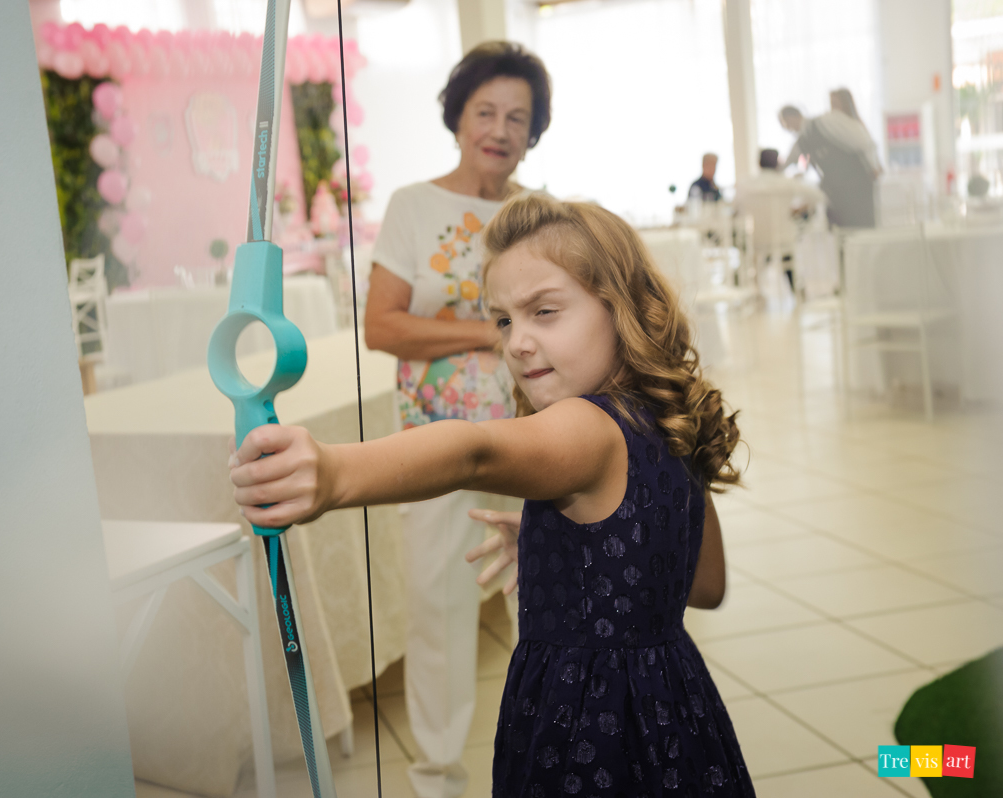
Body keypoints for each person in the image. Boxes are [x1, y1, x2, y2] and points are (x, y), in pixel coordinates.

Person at [229, 192, 754, 796]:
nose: (517, 342)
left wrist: (334, 473)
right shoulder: (668, 419)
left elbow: (471, 449)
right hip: (673, 710)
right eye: (505, 320)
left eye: (545, 312)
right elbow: (704, 585)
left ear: (624, 308)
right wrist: (584, 557)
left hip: (591, 726)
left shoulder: (586, 426)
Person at [362, 41, 553, 798]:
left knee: (539, 598)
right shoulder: (415, 206)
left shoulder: (540, 212)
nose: (500, 129)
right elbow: (383, 326)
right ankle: (437, 775)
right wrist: (490, 330)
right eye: (486, 112)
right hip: (437, 438)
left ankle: (546, 760)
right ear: (458, 117)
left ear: (533, 130)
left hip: (531, 432)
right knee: (439, 607)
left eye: (518, 117)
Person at [735, 148, 827, 292]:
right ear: (778, 164)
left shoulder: (746, 185)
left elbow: (737, 208)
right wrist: (800, 208)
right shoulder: (787, 183)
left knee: (764, 251)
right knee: (785, 249)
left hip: (757, 239)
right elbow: (819, 196)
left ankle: (756, 290)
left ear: (759, 163)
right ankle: (796, 289)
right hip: (784, 237)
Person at [779, 100, 880, 228]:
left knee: (862, 228)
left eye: (785, 123)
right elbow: (789, 162)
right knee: (840, 231)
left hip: (856, 185)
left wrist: (874, 165)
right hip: (835, 193)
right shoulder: (802, 141)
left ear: (792, 116)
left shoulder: (825, 122)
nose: (786, 128)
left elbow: (862, 141)